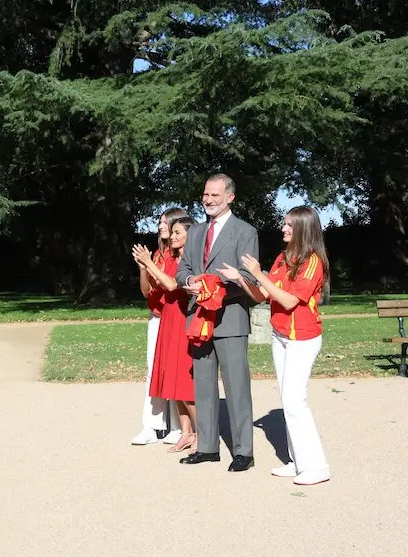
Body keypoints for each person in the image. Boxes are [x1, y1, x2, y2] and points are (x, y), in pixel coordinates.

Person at [219, 206, 331, 485]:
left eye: (290, 225)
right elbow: (263, 296)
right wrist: (241, 279)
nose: (284, 228)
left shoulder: (313, 261)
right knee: (288, 399)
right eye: (285, 224)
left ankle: (317, 467)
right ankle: (298, 462)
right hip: (280, 335)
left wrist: (259, 273)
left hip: (302, 338)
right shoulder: (283, 258)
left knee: (295, 401)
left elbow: (291, 301)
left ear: (303, 229)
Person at [175, 173, 259, 472]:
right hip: (199, 318)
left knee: (237, 386)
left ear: (230, 197)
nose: (208, 200)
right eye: (206, 195)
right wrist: (189, 281)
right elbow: (182, 270)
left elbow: (248, 278)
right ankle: (208, 447)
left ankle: (243, 452)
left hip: (230, 319)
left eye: (215, 195)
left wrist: (213, 285)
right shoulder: (195, 232)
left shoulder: (245, 232)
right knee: (203, 386)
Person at [133, 215, 199, 453]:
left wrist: (148, 263)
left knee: (183, 380)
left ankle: (203, 434)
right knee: (171, 377)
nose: (171, 237)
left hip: (183, 320)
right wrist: (146, 267)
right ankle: (186, 432)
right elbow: (152, 289)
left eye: (177, 233)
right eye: (172, 233)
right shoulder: (171, 258)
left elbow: (173, 285)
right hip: (168, 320)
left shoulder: (191, 261)